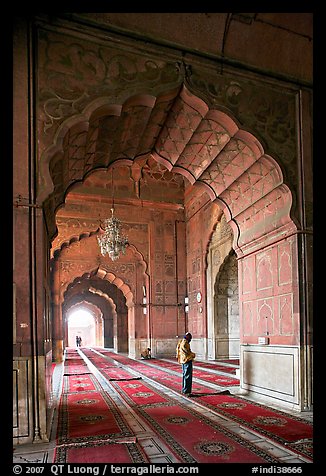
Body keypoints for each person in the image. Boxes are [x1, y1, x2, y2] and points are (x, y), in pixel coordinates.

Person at [176, 332, 196, 397]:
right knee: (187, 376)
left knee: (185, 375)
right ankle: (186, 391)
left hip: (184, 360)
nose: (190, 340)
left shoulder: (182, 341)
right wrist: (193, 355)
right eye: (190, 338)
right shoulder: (184, 343)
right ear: (188, 337)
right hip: (187, 360)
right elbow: (186, 351)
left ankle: (184, 389)